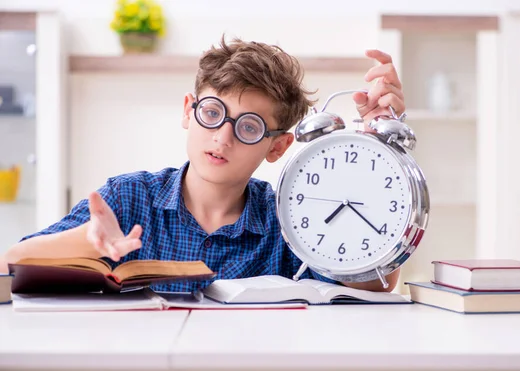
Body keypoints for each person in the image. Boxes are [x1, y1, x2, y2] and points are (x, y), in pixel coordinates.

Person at [0, 36, 405, 292]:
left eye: (249, 127)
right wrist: (87, 242)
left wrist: (382, 151)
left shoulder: (291, 219)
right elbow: (10, 264)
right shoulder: (127, 198)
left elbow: (373, 287)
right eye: (212, 113)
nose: (222, 137)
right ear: (188, 111)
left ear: (278, 147)